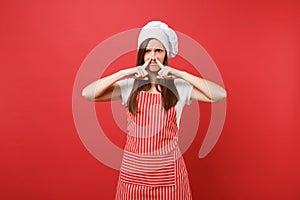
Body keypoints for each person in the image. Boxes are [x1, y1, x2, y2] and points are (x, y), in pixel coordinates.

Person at [82, 21, 226, 200]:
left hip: (169, 180)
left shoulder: (178, 88)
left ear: (166, 54)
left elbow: (219, 94)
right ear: (141, 55)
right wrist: (124, 73)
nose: (152, 56)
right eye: (148, 51)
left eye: (158, 51)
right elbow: (87, 93)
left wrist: (181, 74)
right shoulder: (129, 87)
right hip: (133, 178)